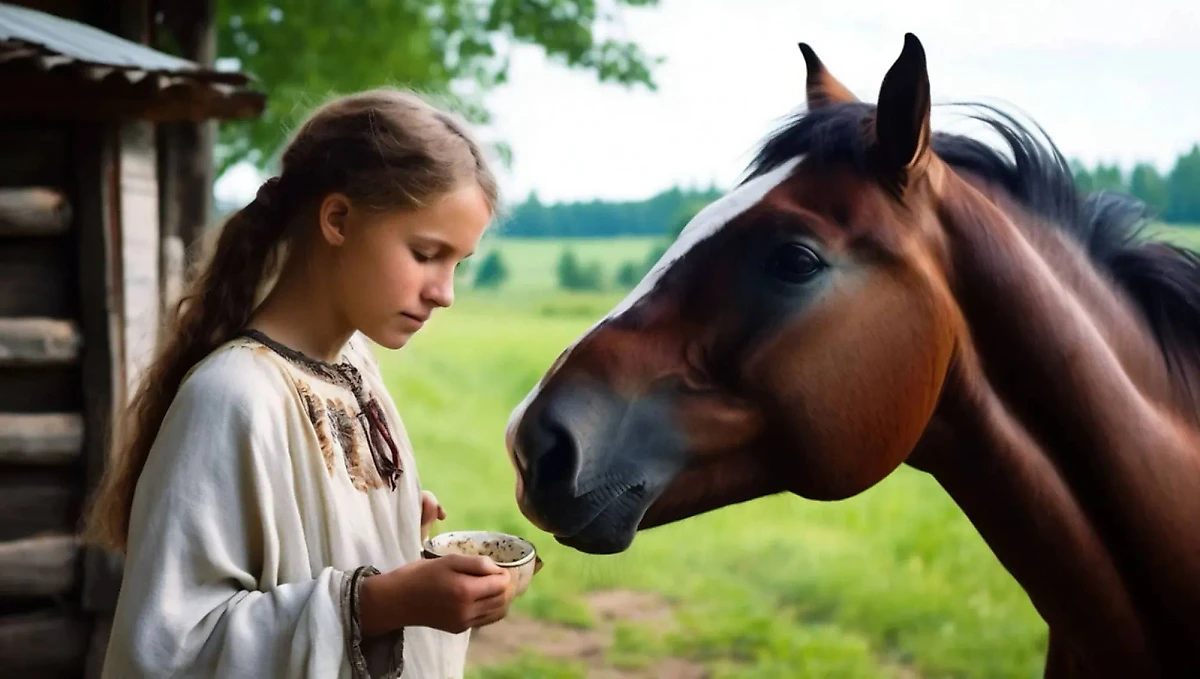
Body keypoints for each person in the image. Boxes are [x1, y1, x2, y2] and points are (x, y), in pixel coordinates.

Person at [83, 88, 517, 679]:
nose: (445, 292)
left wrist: (385, 525)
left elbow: (300, 549)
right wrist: (383, 602)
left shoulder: (356, 369)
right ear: (337, 219)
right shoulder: (233, 395)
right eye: (426, 253)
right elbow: (169, 650)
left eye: (457, 263)